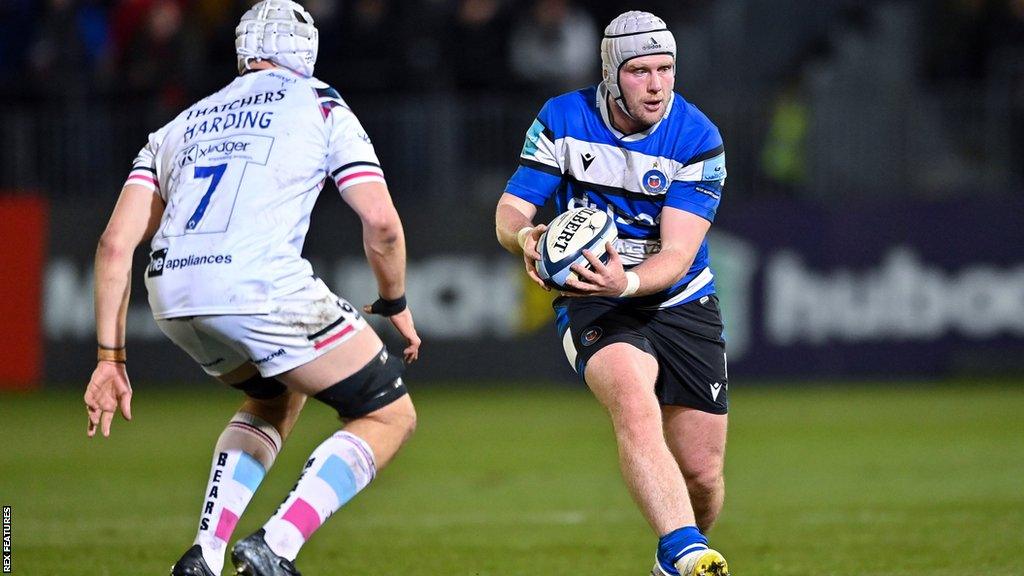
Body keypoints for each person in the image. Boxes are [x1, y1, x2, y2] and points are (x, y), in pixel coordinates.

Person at [83, 2, 421, 575]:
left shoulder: (177, 126)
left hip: (172, 292)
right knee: (388, 413)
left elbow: (115, 245)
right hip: (257, 285)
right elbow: (382, 225)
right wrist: (394, 302)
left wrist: (108, 357)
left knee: (272, 396)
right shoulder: (319, 101)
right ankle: (277, 544)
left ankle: (205, 554)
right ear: (305, 48)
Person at [495, 11, 730, 576]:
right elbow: (510, 211)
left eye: (666, 69)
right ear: (610, 73)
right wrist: (527, 237)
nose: (656, 85)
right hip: (593, 299)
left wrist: (625, 279)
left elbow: (674, 255)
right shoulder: (562, 118)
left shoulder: (698, 137)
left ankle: (672, 555)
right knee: (632, 400)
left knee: (702, 474)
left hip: (679, 299)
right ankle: (687, 551)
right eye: (640, 71)